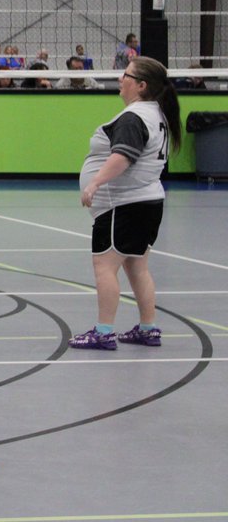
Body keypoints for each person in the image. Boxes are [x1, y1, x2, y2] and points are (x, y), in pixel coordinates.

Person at [69, 56, 181, 351]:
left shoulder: (135, 117)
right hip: (147, 201)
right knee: (137, 267)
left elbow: (122, 156)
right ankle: (148, 328)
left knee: (104, 266)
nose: (120, 80)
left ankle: (104, 332)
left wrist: (94, 183)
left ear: (141, 85)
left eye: (126, 76)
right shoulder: (156, 114)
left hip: (124, 205)